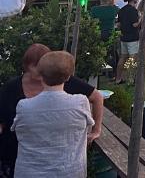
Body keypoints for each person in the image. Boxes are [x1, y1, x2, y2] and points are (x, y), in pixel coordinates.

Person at [0, 45, 103, 177]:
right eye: (31, 69)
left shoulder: (24, 105)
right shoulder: (12, 89)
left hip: (59, 167)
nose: (35, 73)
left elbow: (97, 97)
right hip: (19, 158)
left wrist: (96, 130)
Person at [116, 0, 141, 84]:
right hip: (133, 38)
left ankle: (118, 78)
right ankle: (130, 79)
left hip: (123, 37)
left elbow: (118, 25)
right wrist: (141, 19)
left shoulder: (121, 10)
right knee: (132, 59)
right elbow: (135, 25)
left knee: (122, 58)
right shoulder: (134, 11)